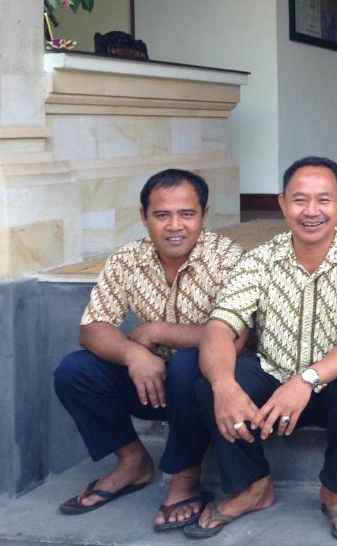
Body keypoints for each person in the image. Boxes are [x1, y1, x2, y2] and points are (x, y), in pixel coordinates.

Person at [189, 157, 337, 540]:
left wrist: (307, 380)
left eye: (324, 200)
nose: (311, 211)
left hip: (336, 386)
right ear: (282, 204)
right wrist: (224, 387)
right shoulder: (261, 259)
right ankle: (253, 486)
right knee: (209, 381)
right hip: (273, 378)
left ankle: (334, 488)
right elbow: (219, 326)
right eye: (300, 200)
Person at [53, 169, 244, 530]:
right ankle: (132, 462)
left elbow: (236, 338)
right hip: (152, 383)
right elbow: (92, 328)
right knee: (75, 371)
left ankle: (185, 477)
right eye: (161, 215)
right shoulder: (127, 259)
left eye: (187, 214)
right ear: (144, 217)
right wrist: (133, 354)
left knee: (190, 364)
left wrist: (159, 331)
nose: (175, 226)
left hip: (211, 393)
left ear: (203, 214)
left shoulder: (228, 258)